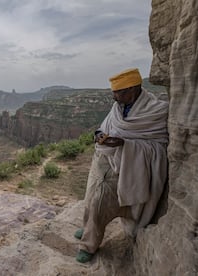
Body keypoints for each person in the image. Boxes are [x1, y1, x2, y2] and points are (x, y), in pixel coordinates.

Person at [75, 68, 169, 263]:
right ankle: (88, 228)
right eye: (114, 92)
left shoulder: (156, 111)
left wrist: (125, 145)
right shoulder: (117, 108)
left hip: (128, 164)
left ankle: (89, 245)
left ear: (134, 89)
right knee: (91, 195)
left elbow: (159, 145)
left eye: (119, 92)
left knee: (100, 200)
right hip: (104, 157)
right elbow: (103, 127)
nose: (114, 97)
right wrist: (99, 136)